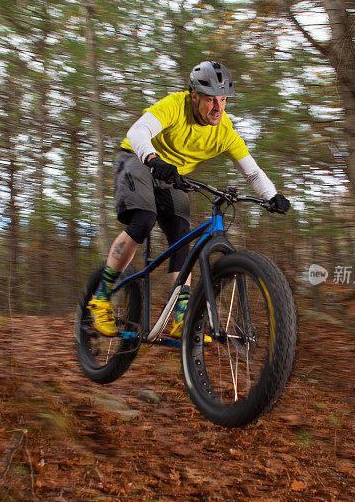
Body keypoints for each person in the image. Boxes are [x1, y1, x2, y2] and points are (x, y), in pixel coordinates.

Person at [88, 60, 290, 338]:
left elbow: (252, 172)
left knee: (183, 234)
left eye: (223, 100)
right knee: (144, 219)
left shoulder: (224, 132)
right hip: (138, 158)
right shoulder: (174, 105)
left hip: (172, 176)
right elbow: (137, 132)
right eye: (210, 100)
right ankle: (101, 295)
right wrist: (152, 158)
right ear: (194, 96)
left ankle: (181, 314)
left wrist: (272, 196)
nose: (218, 108)